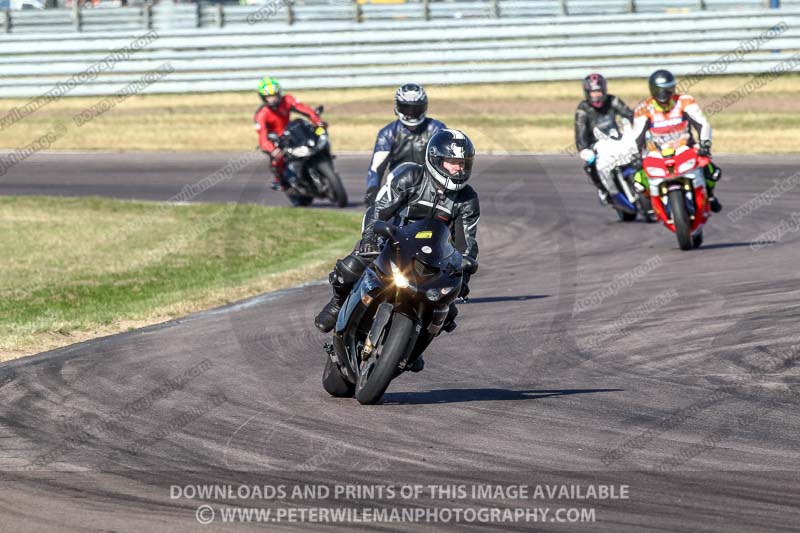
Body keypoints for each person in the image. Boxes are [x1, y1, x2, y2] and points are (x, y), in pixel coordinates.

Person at [315, 129, 480, 371]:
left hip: (432, 261)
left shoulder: (467, 199)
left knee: (447, 309)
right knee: (352, 266)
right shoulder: (410, 176)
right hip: (391, 243)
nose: (459, 169)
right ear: (435, 160)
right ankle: (338, 302)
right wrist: (370, 237)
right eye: (453, 162)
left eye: (463, 163)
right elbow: (378, 210)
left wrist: (464, 270)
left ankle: (411, 347)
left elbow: (466, 243)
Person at [632, 69, 722, 212]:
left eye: (668, 90)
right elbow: (636, 135)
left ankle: (709, 195)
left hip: (686, 148)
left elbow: (702, 123)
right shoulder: (643, 108)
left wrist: (705, 143)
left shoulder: (684, 101)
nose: (664, 95)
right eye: (660, 90)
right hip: (657, 152)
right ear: (653, 90)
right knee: (638, 179)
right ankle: (650, 204)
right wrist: (634, 155)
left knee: (710, 168)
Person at [363, 83, 446, 205]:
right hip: (397, 185)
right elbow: (377, 166)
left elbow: (446, 161)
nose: (411, 113)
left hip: (432, 185)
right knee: (377, 216)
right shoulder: (387, 133)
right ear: (397, 107)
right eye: (406, 108)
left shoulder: (436, 128)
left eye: (416, 109)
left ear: (424, 107)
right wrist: (373, 188)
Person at [253, 77, 325, 190]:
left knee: (315, 134)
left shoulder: (287, 100)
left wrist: (318, 121)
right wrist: (272, 149)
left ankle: (322, 161)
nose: (273, 99)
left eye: (274, 95)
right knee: (277, 158)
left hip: (291, 132)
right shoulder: (262, 114)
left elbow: (304, 109)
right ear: (263, 98)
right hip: (276, 140)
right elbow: (262, 137)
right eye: (269, 97)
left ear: (279, 93)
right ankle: (280, 180)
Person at [574, 73, 635, 205]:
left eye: (599, 91)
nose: (597, 95)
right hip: (595, 145)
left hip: (615, 139)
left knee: (637, 152)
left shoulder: (612, 100)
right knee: (590, 163)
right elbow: (580, 133)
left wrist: (636, 126)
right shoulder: (583, 109)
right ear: (587, 93)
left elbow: (629, 114)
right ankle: (602, 189)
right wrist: (583, 148)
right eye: (593, 92)